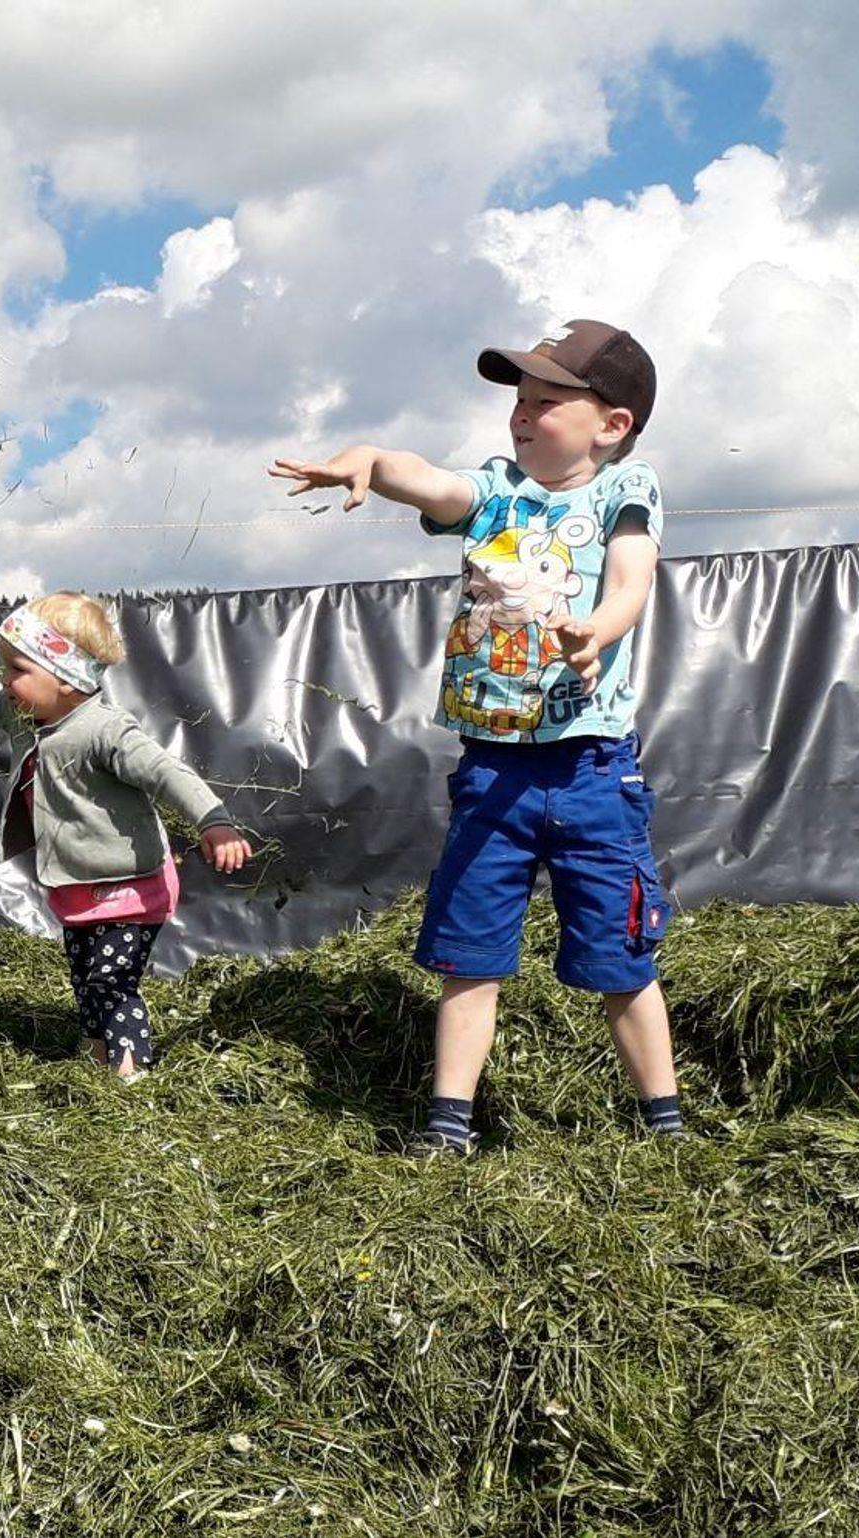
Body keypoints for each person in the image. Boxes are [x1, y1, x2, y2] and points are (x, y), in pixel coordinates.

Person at [270, 319, 682, 1152]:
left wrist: (596, 631)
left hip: (593, 771)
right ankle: (448, 1125)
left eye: (547, 401)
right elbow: (431, 483)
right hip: (493, 771)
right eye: (519, 400)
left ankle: (665, 1124)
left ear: (612, 424)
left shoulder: (623, 492)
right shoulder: (497, 490)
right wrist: (373, 459)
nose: (522, 414)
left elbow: (632, 582)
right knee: (469, 955)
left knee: (622, 957)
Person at [0, 593, 253, 1079]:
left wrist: (213, 820)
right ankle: (98, 1050)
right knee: (85, 976)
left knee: (111, 981)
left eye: (18, 669)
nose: (6, 680)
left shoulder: (105, 731)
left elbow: (165, 771)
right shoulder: (24, 715)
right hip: (78, 882)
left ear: (65, 676)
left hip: (130, 887)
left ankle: (131, 1071)